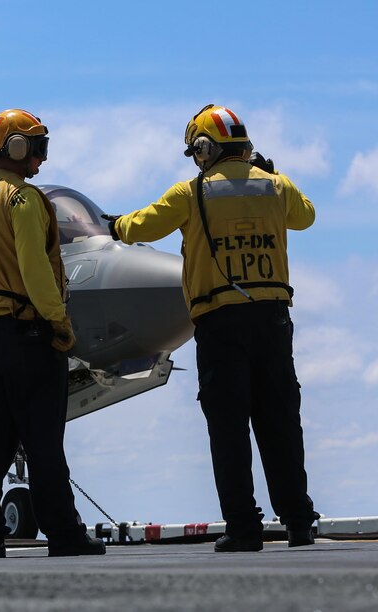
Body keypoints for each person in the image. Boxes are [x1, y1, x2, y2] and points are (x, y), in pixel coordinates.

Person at [106, 104, 318, 552]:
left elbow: (139, 226)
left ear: (205, 148)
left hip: (220, 324)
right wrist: (271, 174)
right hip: (274, 322)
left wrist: (115, 225)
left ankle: (244, 527)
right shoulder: (276, 188)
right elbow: (306, 216)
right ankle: (299, 521)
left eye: (196, 151)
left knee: (229, 427)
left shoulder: (192, 192)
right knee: (281, 421)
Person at [0, 108, 106, 559]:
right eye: (35, 146)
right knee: (43, 442)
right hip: (29, 334)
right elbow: (35, 269)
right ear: (17, 148)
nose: (40, 157)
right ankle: (63, 535)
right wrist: (58, 322)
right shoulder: (22, 199)